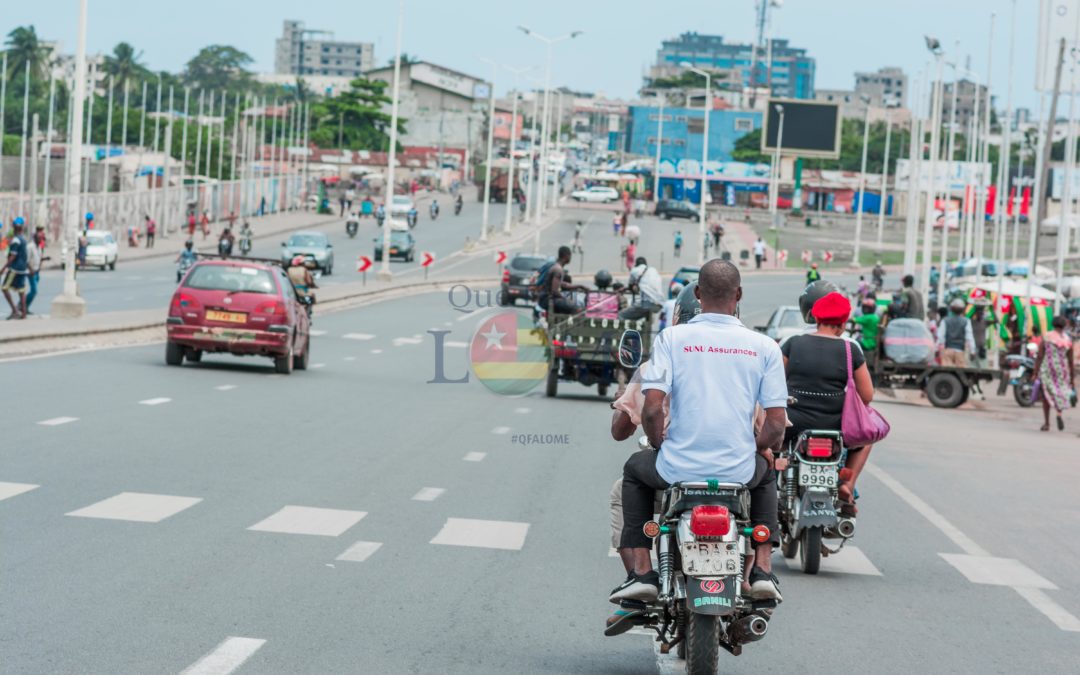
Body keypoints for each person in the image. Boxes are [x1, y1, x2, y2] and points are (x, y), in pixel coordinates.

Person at [612, 261, 787, 605]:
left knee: (634, 470)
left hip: (678, 470)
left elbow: (650, 409)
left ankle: (643, 572)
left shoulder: (672, 339)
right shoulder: (764, 346)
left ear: (696, 294)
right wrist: (756, 448)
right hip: (738, 472)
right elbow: (777, 425)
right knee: (766, 475)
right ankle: (763, 570)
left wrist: (661, 444)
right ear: (738, 296)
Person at [782, 289, 875, 516]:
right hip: (834, 425)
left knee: (765, 448)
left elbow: (772, 382)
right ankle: (848, 485)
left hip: (793, 423)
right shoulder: (849, 348)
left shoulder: (793, 344)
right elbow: (867, 395)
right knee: (867, 438)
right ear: (843, 323)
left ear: (815, 317)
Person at [1033, 316, 1076, 432]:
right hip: (1062, 371)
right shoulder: (1067, 339)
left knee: (1046, 395)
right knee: (1060, 393)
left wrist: (1035, 372)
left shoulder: (1047, 337)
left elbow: (1040, 356)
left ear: (1053, 324)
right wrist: (1072, 379)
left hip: (1048, 369)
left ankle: (1047, 423)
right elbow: (1071, 361)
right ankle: (1058, 414)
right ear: (1064, 326)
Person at [537, 246, 584, 314]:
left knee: (569, 304)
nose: (570, 258)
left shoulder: (556, 267)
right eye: (570, 255)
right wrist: (565, 299)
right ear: (566, 256)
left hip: (544, 299)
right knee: (576, 308)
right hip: (547, 300)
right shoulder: (558, 270)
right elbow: (555, 291)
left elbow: (563, 284)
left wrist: (580, 286)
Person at [619, 257, 664, 321]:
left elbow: (631, 286)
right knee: (642, 312)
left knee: (621, 315)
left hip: (647, 304)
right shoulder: (653, 270)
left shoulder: (635, 270)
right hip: (659, 304)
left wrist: (625, 289)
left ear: (636, 264)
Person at [1, 219, 30, 319]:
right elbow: (26, 256)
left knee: (4, 288)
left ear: (14, 228)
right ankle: (24, 314)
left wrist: (3, 268)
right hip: (22, 269)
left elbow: (12, 256)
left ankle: (15, 310)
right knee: (21, 292)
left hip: (15, 269)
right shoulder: (23, 239)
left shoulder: (16, 240)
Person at [937, 298, 975, 367]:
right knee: (960, 374)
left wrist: (936, 349)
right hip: (960, 351)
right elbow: (969, 337)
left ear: (951, 309)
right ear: (963, 310)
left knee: (947, 373)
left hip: (948, 350)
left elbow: (940, 337)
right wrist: (972, 351)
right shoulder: (966, 321)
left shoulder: (945, 320)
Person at [851, 298, 881, 371]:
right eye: (865, 308)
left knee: (852, 345)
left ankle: (854, 364)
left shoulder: (868, 317)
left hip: (868, 342)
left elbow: (854, 320)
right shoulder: (875, 317)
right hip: (872, 341)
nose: (865, 310)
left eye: (867, 308)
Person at [25, 227, 42, 314]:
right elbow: (26, 260)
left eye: (41, 238)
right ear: (35, 238)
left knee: (33, 291)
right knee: (34, 291)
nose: (40, 240)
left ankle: (24, 306)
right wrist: (31, 270)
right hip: (30, 272)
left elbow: (38, 258)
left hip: (36, 271)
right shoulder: (30, 247)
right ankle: (22, 305)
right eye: (39, 238)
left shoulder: (38, 247)